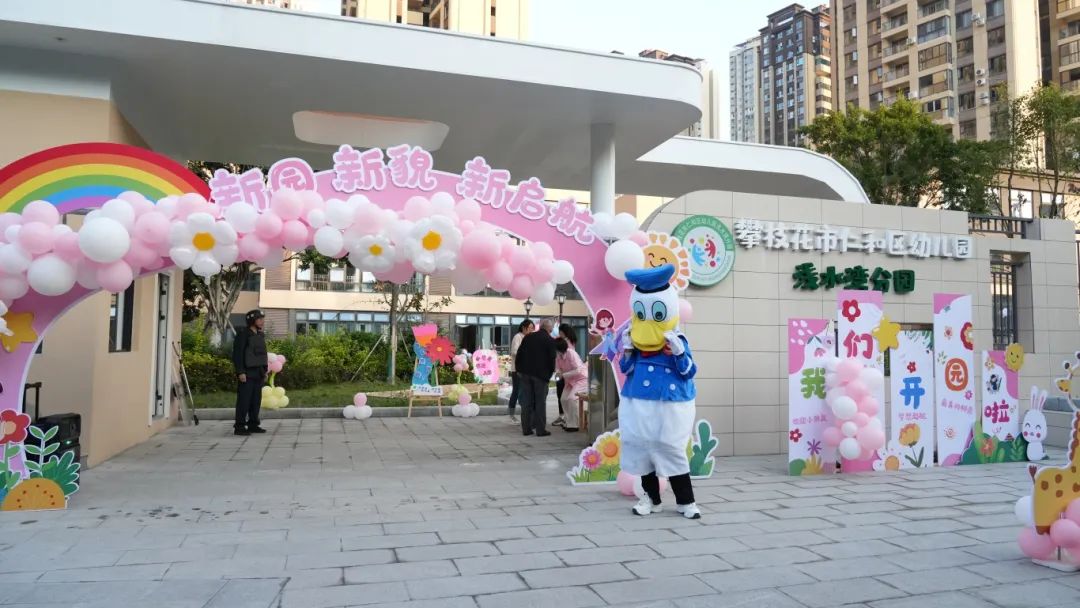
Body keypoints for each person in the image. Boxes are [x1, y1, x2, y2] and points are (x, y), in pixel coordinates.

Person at [618, 264, 701, 519]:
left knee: (671, 449)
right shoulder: (635, 340)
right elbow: (625, 369)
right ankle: (651, 499)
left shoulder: (677, 340)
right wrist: (628, 350)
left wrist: (678, 353)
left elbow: (689, 371)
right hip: (638, 402)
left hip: (669, 403)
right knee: (642, 450)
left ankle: (686, 501)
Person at [514, 318, 557, 437]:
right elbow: (552, 359)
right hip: (541, 376)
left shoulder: (528, 337)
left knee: (526, 402)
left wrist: (518, 369)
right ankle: (540, 430)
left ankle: (526, 429)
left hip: (525, 373)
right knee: (540, 402)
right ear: (550, 328)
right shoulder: (550, 340)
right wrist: (549, 374)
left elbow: (519, 354)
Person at [232, 309, 269, 436]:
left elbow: (262, 354)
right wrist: (240, 372)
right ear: (252, 320)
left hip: (258, 373)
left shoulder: (260, 335)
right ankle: (239, 426)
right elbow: (238, 354)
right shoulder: (243, 334)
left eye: (262, 319)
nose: (262, 321)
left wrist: (264, 371)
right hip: (247, 373)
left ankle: (253, 424)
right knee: (244, 401)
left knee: (255, 401)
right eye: (259, 319)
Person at [554, 337, 586, 432]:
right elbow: (557, 368)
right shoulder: (558, 356)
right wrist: (558, 373)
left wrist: (563, 375)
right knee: (563, 399)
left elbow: (578, 370)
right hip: (569, 380)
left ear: (559, 348)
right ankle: (568, 422)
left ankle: (574, 425)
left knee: (571, 399)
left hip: (581, 379)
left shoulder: (571, 353)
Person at [507, 319, 534, 424]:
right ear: (524, 327)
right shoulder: (518, 337)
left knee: (525, 392)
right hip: (517, 369)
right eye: (530, 328)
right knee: (516, 391)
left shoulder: (529, 338)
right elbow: (514, 351)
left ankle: (525, 415)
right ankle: (511, 415)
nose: (531, 330)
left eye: (532, 328)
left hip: (526, 370)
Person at [553, 323, 578, 427]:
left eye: (559, 332)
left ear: (563, 332)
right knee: (564, 397)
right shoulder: (571, 341)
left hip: (568, 375)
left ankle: (565, 418)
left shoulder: (566, 344)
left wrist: (561, 373)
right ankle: (567, 419)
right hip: (566, 374)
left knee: (565, 397)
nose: (559, 334)